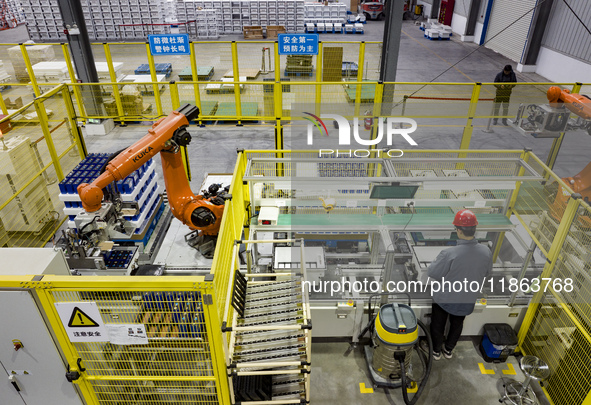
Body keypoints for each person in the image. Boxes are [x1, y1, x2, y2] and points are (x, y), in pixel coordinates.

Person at [427, 209, 493, 360]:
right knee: (457, 324)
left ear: (458, 230)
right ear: (474, 229)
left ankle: (436, 351)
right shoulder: (486, 252)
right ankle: (448, 350)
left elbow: (433, 273)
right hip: (467, 298)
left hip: (445, 298)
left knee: (438, 324)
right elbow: (488, 273)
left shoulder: (449, 253)